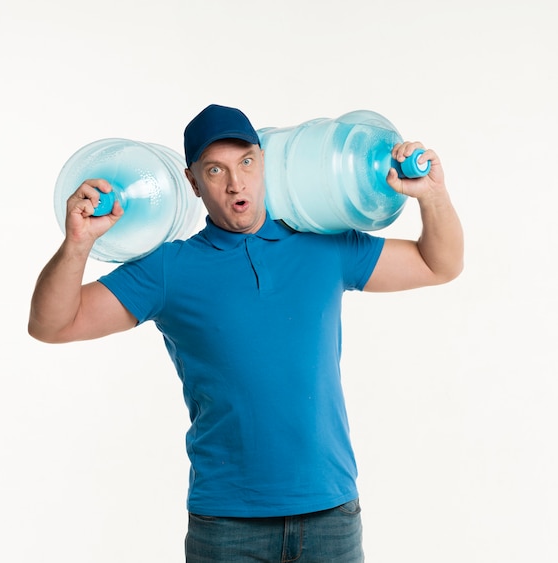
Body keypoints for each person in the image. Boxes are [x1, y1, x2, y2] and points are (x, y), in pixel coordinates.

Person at [28, 104, 463, 562]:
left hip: (330, 514)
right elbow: (52, 324)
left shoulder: (324, 246)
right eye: (216, 170)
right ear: (193, 182)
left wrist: (432, 196)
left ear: (265, 163)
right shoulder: (167, 270)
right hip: (227, 525)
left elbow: (440, 264)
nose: (236, 183)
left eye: (247, 163)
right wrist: (78, 243)